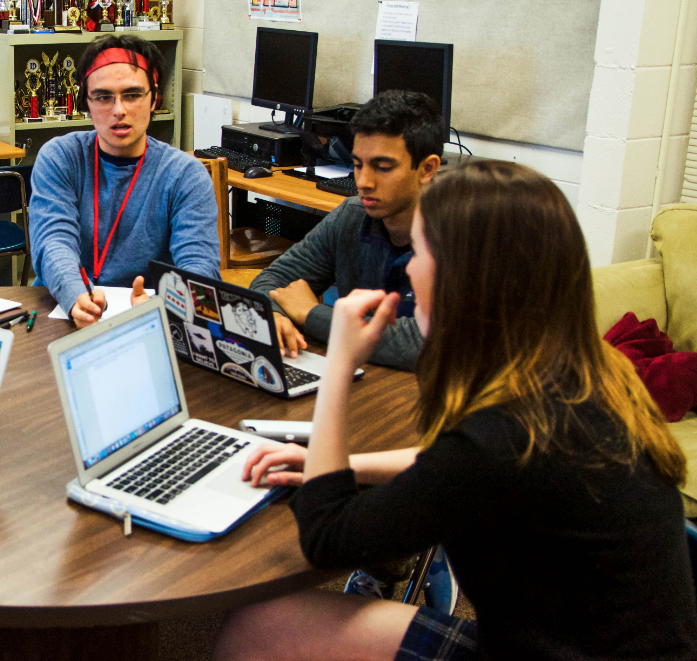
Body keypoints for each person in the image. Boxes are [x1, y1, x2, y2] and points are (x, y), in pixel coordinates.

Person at [213, 160, 697, 661]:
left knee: (255, 628)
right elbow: (461, 464)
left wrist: (339, 363)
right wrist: (345, 466)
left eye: (420, 251)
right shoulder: (588, 378)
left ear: (463, 276)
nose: (407, 268)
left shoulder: (496, 438)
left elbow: (328, 537)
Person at [29, 34, 220, 329]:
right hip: (62, 309)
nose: (119, 110)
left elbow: (199, 268)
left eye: (132, 95)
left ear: (154, 98)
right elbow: (53, 241)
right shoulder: (60, 157)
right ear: (87, 102)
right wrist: (75, 294)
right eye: (104, 97)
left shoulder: (185, 175)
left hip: (150, 319)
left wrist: (165, 307)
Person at [249, 89, 442, 371]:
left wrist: (311, 314)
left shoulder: (460, 236)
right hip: (362, 380)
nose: (363, 181)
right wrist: (274, 315)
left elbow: (423, 345)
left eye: (383, 167)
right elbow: (273, 281)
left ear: (427, 169)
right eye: (357, 165)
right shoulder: (352, 216)